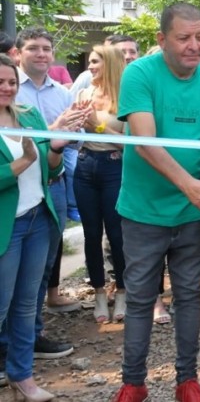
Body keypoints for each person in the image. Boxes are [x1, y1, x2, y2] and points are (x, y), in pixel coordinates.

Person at [111, 3, 200, 402]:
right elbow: (144, 141)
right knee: (141, 296)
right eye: (184, 38)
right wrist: (188, 185)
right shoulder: (139, 73)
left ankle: (187, 380)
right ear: (162, 40)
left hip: (196, 212)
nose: (195, 46)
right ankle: (133, 382)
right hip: (144, 211)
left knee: (189, 294)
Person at [0, 53, 78, 401]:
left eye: (11, 82)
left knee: (26, 305)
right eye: (0, 82)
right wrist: (24, 161)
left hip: (38, 221)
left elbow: (50, 170)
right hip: (7, 228)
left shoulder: (29, 116)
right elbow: (24, 165)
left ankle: (22, 377)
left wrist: (56, 148)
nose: (7, 88)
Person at [12, 28, 85, 363]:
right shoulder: (10, 91)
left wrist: (66, 136)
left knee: (42, 267)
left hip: (53, 184)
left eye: (46, 49)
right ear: (17, 53)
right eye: (33, 48)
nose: (41, 54)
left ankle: (33, 335)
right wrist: (54, 131)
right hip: (13, 194)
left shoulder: (62, 92)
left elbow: (73, 139)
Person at [73, 45, 128, 323]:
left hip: (114, 167)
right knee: (91, 234)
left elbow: (131, 144)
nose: (90, 66)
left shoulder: (126, 97)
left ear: (110, 64)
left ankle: (121, 291)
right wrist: (74, 122)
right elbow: (71, 133)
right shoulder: (84, 94)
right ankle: (98, 293)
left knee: (117, 235)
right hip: (85, 165)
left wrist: (96, 126)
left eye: (95, 62)